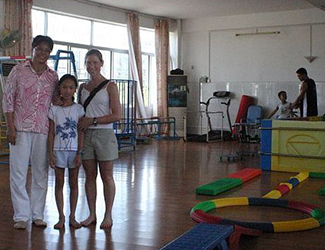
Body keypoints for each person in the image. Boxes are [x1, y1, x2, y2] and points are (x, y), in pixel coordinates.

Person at [2, 35, 58, 229]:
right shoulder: (18, 71)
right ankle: (21, 216)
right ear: (33, 49)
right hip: (20, 129)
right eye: (39, 49)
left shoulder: (53, 76)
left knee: (41, 173)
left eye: (46, 50)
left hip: (42, 130)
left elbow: (55, 102)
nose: (42, 53)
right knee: (18, 172)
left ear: (50, 53)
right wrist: (10, 127)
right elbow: (8, 100)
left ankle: (37, 214)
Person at [78, 49, 121, 229]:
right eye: (88, 62)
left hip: (104, 134)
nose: (92, 66)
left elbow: (117, 115)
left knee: (107, 175)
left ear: (101, 63)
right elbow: (78, 112)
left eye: (95, 62)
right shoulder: (81, 88)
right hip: (86, 135)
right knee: (89, 176)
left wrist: (93, 120)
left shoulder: (109, 86)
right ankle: (91, 214)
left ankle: (108, 215)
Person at [48, 74, 85, 229]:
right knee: (59, 184)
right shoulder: (53, 109)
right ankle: (61, 216)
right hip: (58, 150)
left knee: (74, 183)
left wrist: (79, 153)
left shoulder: (79, 109)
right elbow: (51, 133)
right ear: (59, 88)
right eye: (64, 87)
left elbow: (81, 132)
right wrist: (50, 154)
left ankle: (72, 216)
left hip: (74, 151)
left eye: (71, 87)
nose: (67, 90)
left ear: (75, 89)